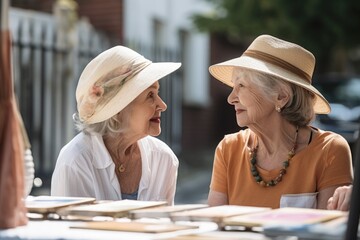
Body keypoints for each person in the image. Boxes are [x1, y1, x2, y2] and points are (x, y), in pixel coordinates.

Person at [207, 34, 353, 209]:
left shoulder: (329, 150)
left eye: (242, 86)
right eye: (233, 87)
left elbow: (328, 232)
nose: (231, 98)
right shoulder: (228, 149)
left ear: (281, 96)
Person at [51, 46, 181, 205]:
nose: (162, 105)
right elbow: (69, 228)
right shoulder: (76, 162)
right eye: (150, 95)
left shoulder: (164, 159)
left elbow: (166, 228)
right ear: (118, 109)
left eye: (157, 93)